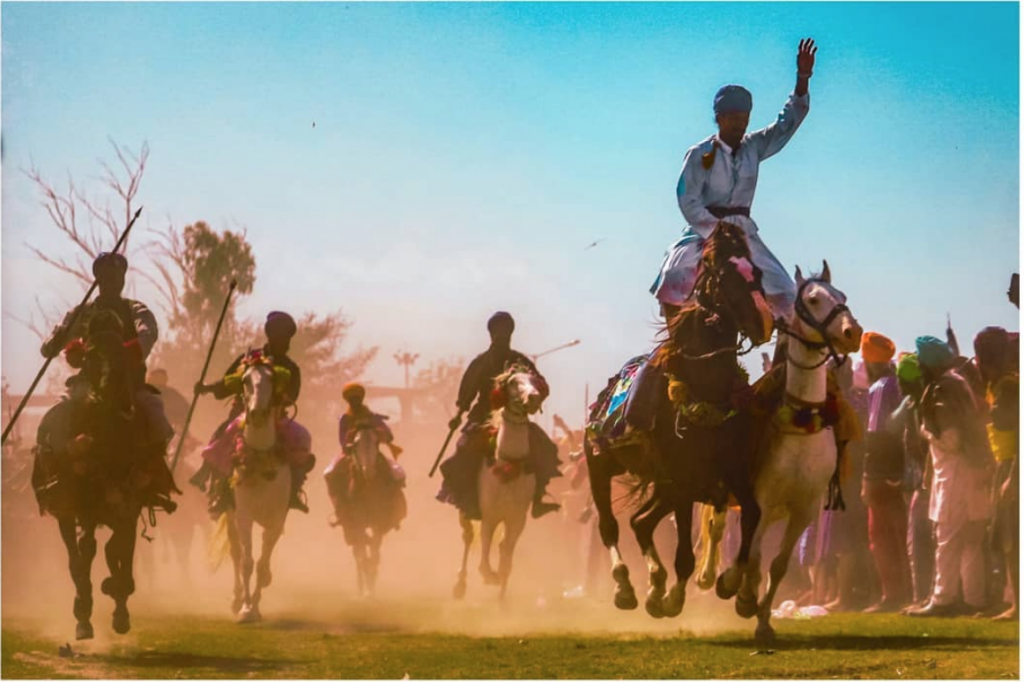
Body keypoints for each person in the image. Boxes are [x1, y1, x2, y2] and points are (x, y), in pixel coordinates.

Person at [650, 39, 817, 322]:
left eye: (745, 118)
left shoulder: (755, 146)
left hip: (744, 235)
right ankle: (673, 344)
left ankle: (782, 363)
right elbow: (687, 200)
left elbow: (787, 123)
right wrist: (715, 231)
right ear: (720, 118)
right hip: (706, 233)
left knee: (787, 295)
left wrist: (802, 79)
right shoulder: (700, 153)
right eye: (735, 118)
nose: (741, 124)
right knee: (674, 276)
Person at [36, 252, 176, 512]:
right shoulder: (83, 313)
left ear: (122, 280)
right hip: (87, 385)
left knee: (157, 416)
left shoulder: (135, 309)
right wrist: (58, 341)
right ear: (98, 280)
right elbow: (49, 348)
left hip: (129, 386)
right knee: (54, 416)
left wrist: (132, 351)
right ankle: (57, 473)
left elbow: (148, 331)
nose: (112, 283)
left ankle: (151, 476)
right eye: (106, 278)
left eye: (117, 278)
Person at [437, 312, 561, 520]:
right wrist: (459, 414)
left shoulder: (520, 361)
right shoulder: (481, 362)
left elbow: (539, 384)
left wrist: (535, 397)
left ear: (511, 332)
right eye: (499, 330)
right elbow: (467, 392)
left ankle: (538, 498)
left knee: (545, 448)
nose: (503, 334)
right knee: (464, 448)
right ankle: (465, 497)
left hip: (515, 417)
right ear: (491, 333)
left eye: (506, 330)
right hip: (483, 417)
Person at [905, 336, 994, 617]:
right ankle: (974, 599)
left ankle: (943, 600)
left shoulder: (942, 388)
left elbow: (952, 441)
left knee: (948, 538)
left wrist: (926, 432)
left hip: (955, 471)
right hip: (971, 468)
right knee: (970, 541)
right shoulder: (957, 383)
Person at [192, 311, 314, 515]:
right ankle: (218, 489)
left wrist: (279, 397)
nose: (285, 341)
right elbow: (227, 384)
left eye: (287, 336)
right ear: (270, 334)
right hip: (244, 414)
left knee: (302, 438)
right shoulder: (248, 359)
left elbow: (293, 395)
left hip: (276, 418)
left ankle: (293, 491)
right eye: (281, 335)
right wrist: (206, 388)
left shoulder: (291, 368)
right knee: (222, 433)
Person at [859, 333, 912, 612]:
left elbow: (878, 434)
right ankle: (907, 592)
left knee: (881, 537)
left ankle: (893, 595)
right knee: (901, 534)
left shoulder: (880, 386)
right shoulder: (898, 382)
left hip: (882, 471)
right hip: (900, 467)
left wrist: (869, 476)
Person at [973, 327, 1019, 620]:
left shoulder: (1009, 386)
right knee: (1005, 539)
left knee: (1013, 539)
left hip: (1013, 465)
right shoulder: (999, 385)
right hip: (1003, 465)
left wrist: (1013, 478)